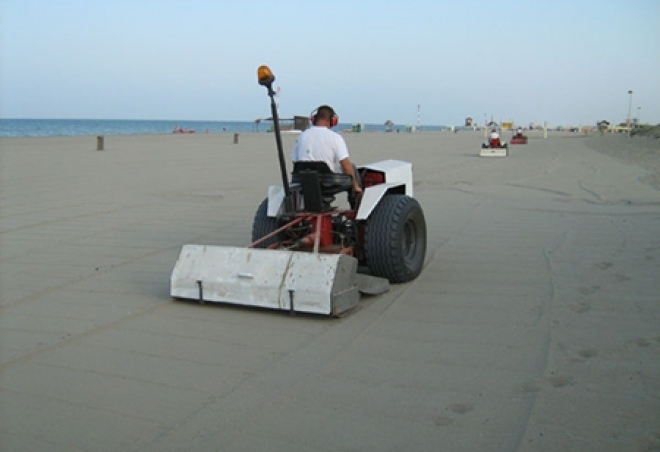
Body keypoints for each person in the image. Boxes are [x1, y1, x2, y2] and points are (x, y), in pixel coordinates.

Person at [291, 105, 362, 196]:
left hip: (303, 182)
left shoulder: (301, 137)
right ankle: (355, 202)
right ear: (333, 121)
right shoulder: (335, 138)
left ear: (313, 119)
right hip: (327, 182)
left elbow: (295, 161)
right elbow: (345, 165)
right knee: (352, 168)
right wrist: (355, 186)